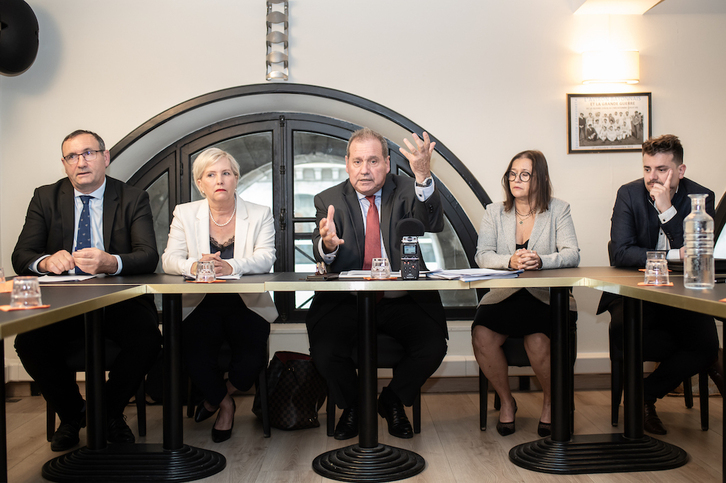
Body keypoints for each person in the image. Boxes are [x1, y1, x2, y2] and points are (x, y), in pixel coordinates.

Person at [11, 130, 162, 451]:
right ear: (64, 164)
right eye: (72, 156)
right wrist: (46, 261)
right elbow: (21, 256)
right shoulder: (45, 197)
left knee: (148, 338)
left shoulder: (133, 197)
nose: (81, 162)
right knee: (29, 342)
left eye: (88, 153)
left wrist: (112, 262)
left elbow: (148, 255)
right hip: (64, 302)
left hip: (119, 301)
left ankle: (107, 412)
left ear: (105, 158)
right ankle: (73, 414)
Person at [307, 128, 448, 440]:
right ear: (347, 164)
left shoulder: (409, 189)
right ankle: (356, 405)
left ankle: (392, 401)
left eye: (373, 161)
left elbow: (433, 222)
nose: (364, 170)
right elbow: (322, 244)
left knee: (433, 345)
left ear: (387, 163)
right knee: (324, 350)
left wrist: (423, 175)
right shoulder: (328, 199)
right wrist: (328, 246)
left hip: (401, 299)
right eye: (357, 161)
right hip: (348, 301)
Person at [597, 134, 720, 435]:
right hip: (635, 292)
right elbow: (620, 253)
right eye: (647, 169)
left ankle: (644, 395)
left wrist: (667, 211)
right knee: (633, 335)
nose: (653, 177)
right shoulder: (629, 194)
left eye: (662, 169)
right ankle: (644, 399)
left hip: (682, 294)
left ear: (681, 170)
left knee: (706, 347)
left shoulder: (700, 198)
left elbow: (700, 256)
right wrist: (674, 254)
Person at [161, 148, 277, 443]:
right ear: (200, 183)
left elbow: (267, 257)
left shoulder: (260, 213)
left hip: (246, 300)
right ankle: (225, 406)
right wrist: (195, 264)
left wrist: (231, 265)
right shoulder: (185, 213)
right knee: (195, 356)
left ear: (236, 178)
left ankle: (214, 398)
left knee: (250, 362)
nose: (219, 180)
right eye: (211, 175)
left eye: (226, 173)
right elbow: (169, 260)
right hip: (199, 302)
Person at [471, 150, 580, 437]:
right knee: (482, 334)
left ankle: (549, 402)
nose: (515, 180)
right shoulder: (494, 211)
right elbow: (482, 255)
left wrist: (542, 260)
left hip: (545, 296)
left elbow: (572, 254)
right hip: (504, 294)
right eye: (511, 174)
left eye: (524, 175)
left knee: (537, 340)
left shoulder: (559, 209)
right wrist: (510, 260)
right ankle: (507, 402)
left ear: (540, 179)